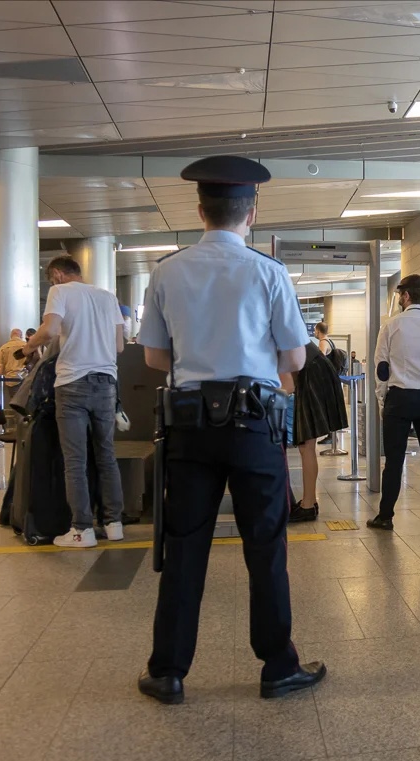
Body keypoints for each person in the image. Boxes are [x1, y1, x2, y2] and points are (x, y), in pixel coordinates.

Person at [136, 154, 325, 705]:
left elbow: (153, 357)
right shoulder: (268, 273)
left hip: (191, 425)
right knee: (265, 545)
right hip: (254, 425)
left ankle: (168, 670)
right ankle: (277, 667)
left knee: (186, 544)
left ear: (201, 211)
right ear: (252, 213)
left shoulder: (167, 271)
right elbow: (293, 357)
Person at [24, 256, 125, 549]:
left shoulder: (60, 292)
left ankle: (81, 529)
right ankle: (114, 523)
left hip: (73, 383)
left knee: (76, 461)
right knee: (106, 455)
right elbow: (119, 345)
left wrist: (29, 346)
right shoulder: (108, 296)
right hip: (107, 383)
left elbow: (50, 330)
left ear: (56, 274)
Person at [367, 274, 420, 531]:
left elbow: (381, 368)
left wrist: (383, 399)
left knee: (393, 462)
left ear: (405, 296)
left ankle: (385, 516)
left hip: (399, 399)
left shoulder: (392, 326)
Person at [288, 338, 348, 522]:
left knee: (306, 444)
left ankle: (308, 504)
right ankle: (309, 501)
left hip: (311, 373)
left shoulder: (269, 328)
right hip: (315, 370)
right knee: (306, 445)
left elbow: (288, 383)